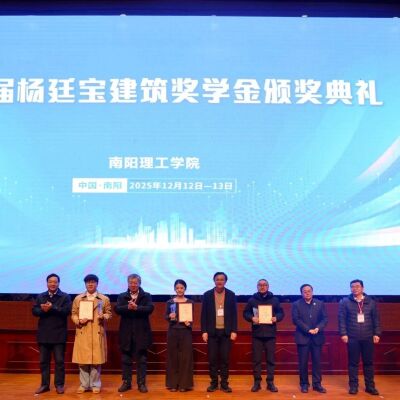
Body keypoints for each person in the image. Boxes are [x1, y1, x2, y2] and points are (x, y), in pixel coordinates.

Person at [338, 279, 381, 396]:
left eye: (357, 286)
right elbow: (341, 319)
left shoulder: (371, 302)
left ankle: (370, 387)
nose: (355, 288)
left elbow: (376, 319)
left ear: (362, 288)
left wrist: (377, 333)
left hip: (368, 337)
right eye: (352, 286)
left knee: (368, 363)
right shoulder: (345, 302)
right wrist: (343, 333)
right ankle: (353, 386)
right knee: (353, 363)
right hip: (352, 337)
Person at [71, 274, 112, 394]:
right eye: (88, 282)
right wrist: (78, 320)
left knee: (96, 361)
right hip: (83, 331)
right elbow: (73, 314)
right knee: (82, 361)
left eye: (93, 282)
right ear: (85, 284)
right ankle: (84, 385)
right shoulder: (78, 298)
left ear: (97, 284)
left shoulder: (104, 299)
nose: (90, 284)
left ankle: (95, 384)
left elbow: (109, 313)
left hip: (97, 331)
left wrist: (103, 316)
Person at [32, 273, 71, 395]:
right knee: (44, 361)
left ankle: (59, 385)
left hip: (59, 334)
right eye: (50, 282)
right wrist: (42, 310)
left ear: (58, 283)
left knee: (59, 361)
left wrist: (53, 307)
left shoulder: (65, 296)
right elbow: (34, 311)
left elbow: (67, 311)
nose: (53, 284)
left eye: (55, 282)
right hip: (44, 334)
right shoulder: (41, 296)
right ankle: (44, 385)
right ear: (47, 283)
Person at [115, 273, 154, 393]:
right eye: (131, 283)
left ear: (139, 284)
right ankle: (126, 382)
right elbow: (117, 309)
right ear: (128, 284)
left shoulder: (146, 295)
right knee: (126, 359)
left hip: (141, 332)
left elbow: (150, 309)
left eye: (135, 283)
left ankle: (141, 383)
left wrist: (137, 307)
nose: (133, 285)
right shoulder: (122, 296)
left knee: (142, 360)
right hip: (126, 333)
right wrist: (128, 307)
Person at [243, 279, 284, 392]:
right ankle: (257, 382)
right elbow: (245, 313)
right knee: (256, 360)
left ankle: (270, 382)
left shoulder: (275, 300)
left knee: (270, 360)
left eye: (264, 285)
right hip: (257, 334)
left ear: (268, 286)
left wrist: (276, 318)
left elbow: (281, 313)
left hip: (270, 334)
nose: (262, 287)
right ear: (257, 287)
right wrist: (252, 318)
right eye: (260, 285)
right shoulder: (252, 300)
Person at [201, 272, 237, 393]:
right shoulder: (207, 295)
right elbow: (203, 315)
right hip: (212, 332)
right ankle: (214, 383)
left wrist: (234, 330)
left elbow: (234, 314)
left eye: (222, 279)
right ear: (214, 281)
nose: (219, 281)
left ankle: (224, 384)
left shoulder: (231, 295)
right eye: (217, 279)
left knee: (225, 360)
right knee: (212, 359)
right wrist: (204, 331)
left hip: (226, 332)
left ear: (225, 281)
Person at [292, 284, 328, 393]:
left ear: (312, 292)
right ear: (301, 293)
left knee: (317, 362)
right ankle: (304, 384)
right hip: (303, 337)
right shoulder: (296, 304)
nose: (307, 293)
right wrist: (308, 329)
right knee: (303, 363)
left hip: (317, 337)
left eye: (309, 291)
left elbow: (325, 319)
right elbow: (296, 320)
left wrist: (318, 328)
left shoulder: (320, 303)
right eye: (305, 291)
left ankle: (317, 384)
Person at [165, 279, 194, 392]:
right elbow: (166, 316)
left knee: (185, 358)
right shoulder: (170, 302)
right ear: (174, 289)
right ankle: (173, 384)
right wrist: (170, 316)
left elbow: (191, 319)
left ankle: (184, 384)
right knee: (173, 357)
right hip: (173, 331)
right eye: (177, 288)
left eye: (181, 288)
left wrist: (188, 323)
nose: (179, 290)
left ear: (185, 289)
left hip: (186, 332)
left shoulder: (190, 302)